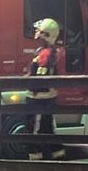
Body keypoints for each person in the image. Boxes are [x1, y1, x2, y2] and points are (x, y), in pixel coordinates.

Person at [25, 18, 66, 161]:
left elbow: (40, 78)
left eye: (41, 33)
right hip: (45, 98)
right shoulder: (48, 52)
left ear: (46, 35)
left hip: (39, 99)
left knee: (33, 130)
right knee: (47, 128)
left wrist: (29, 82)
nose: (38, 36)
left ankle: (35, 159)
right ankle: (58, 155)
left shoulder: (45, 54)